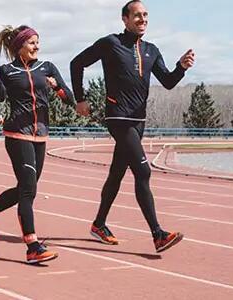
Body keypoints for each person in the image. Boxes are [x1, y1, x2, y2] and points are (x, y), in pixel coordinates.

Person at [70, 0, 192, 253]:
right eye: (137, 15)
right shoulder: (110, 43)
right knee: (143, 172)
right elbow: (76, 63)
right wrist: (80, 98)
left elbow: (168, 82)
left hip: (139, 121)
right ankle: (158, 234)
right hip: (118, 117)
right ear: (124, 19)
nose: (142, 19)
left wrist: (180, 68)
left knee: (117, 173)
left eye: (145, 15)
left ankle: (99, 224)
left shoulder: (152, 50)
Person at [0, 25, 74, 265]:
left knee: (25, 189)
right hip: (17, 135)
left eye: (37, 42)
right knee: (29, 190)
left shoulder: (47, 68)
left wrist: (57, 88)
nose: (36, 46)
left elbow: (69, 98)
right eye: (31, 43)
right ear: (18, 46)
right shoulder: (6, 71)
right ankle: (32, 246)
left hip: (40, 135)